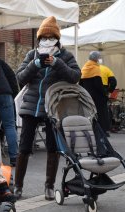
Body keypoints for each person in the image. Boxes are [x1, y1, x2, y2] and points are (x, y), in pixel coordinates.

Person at [14, 16, 81, 200]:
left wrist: (57, 64)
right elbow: (19, 78)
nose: (47, 40)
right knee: (24, 146)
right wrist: (35, 65)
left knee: (53, 146)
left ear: (57, 39)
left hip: (53, 106)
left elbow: (75, 76)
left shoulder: (65, 56)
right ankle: (17, 186)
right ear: (39, 39)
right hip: (31, 105)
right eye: (44, 37)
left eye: (51, 37)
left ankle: (49, 186)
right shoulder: (31, 55)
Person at [79, 51, 111, 136]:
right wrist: (105, 94)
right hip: (97, 96)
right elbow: (98, 84)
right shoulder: (95, 68)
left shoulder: (84, 67)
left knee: (90, 114)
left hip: (87, 96)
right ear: (96, 58)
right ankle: (102, 131)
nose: (99, 59)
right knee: (101, 113)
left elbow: (80, 83)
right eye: (99, 57)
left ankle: (91, 130)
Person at [99, 58, 118, 132]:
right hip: (103, 90)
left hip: (91, 92)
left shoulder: (87, 68)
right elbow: (114, 82)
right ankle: (106, 128)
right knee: (104, 110)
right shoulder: (106, 69)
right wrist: (110, 90)